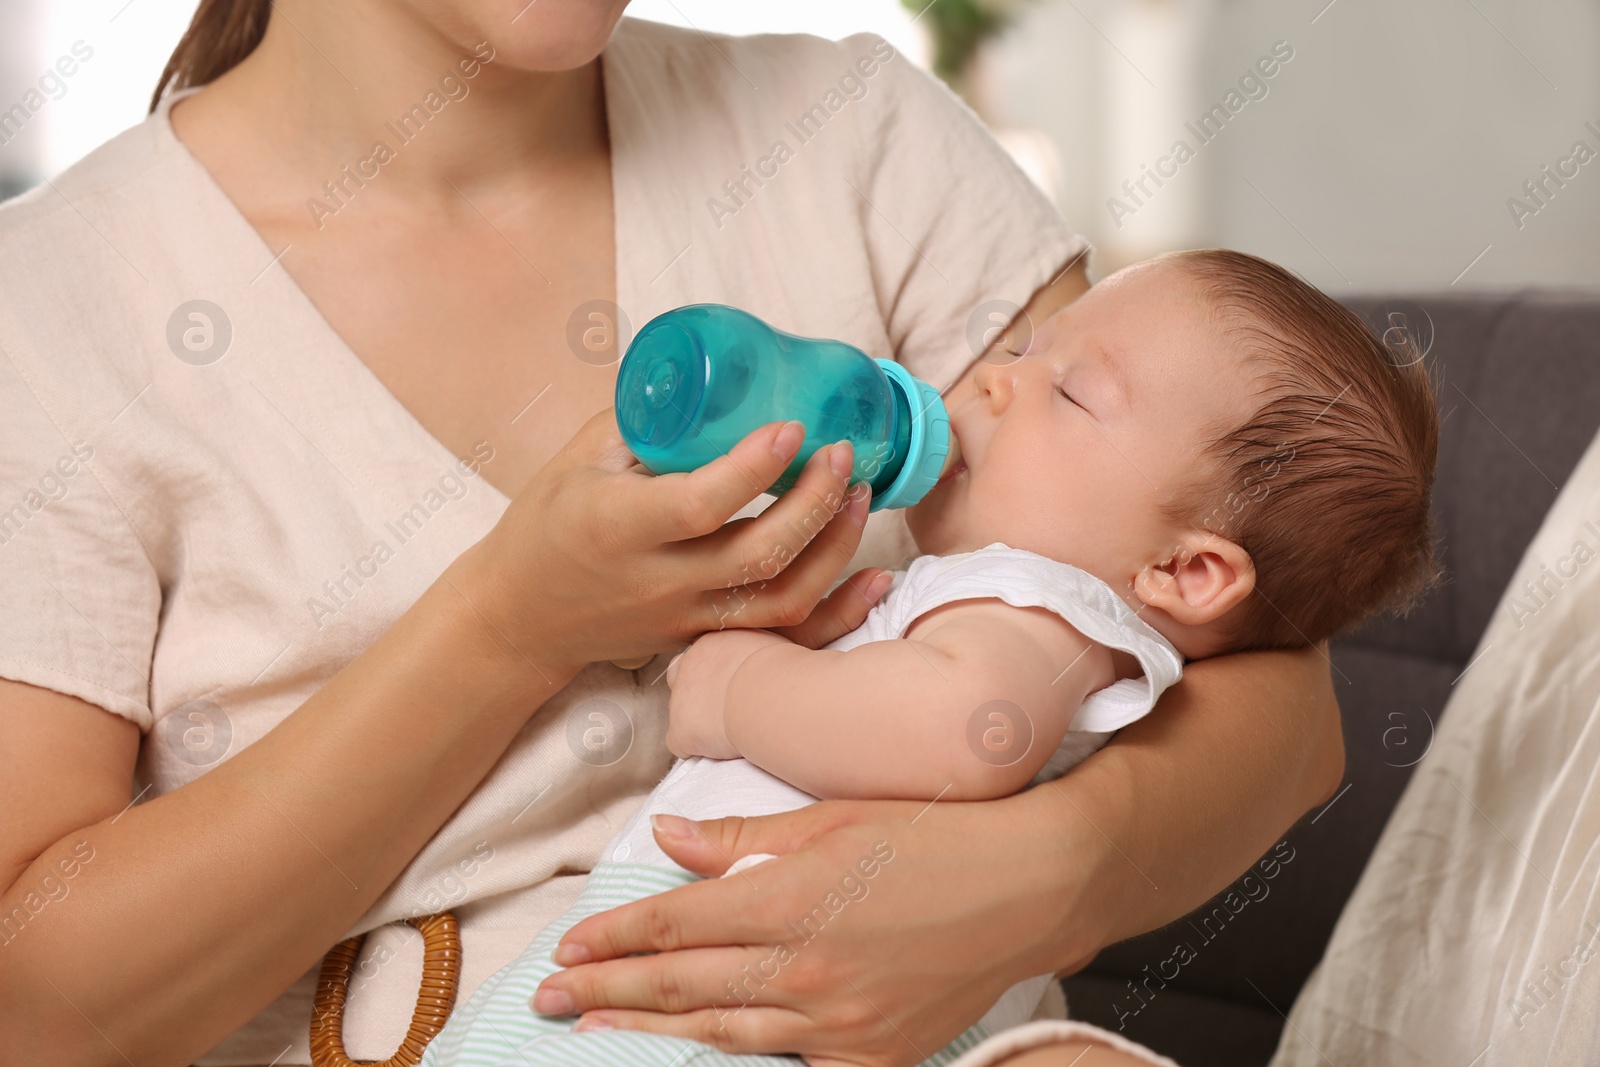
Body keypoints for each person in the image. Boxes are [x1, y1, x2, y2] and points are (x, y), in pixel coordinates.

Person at [0, 4, 1342, 1066]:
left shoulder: (848, 141)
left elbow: (1278, 697)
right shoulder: (55, 312)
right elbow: (36, 1010)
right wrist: (509, 628)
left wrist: (1057, 873)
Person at [419, 248, 1437, 1066]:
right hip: (712, 976)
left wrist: (741, 687)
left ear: (1184, 571)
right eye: (1029, 348)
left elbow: (965, 730)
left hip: (749, 1000)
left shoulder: (1048, 602)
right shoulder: (1011, 593)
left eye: (1070, 391)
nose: (993, 376)